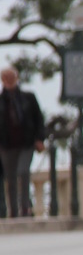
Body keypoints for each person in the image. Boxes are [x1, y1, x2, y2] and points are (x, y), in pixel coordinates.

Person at [0, 67, 46, 218]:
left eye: (10, 76)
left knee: (23, 172)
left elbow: (39, 119)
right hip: (7, 146)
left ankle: (25, 208)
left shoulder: (28, 98)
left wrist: (40, 139)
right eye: (5, 77)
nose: (8, 80)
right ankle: (13, 210)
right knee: (10, 178)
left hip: (26, 143)